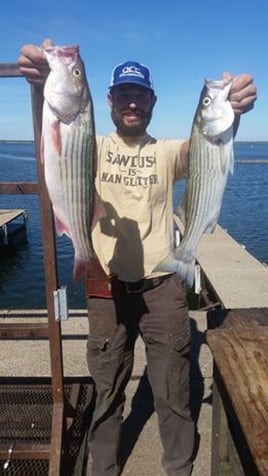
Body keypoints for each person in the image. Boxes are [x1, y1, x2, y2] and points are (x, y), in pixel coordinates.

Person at [18, 39, 257, 476]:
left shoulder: (165, 150)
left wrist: (233, 113)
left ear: (152, 101)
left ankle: (178, 468)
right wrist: (41, 84)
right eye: (124, 94)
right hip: (104, 287)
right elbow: (57, 135)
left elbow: (204, 149)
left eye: (141, 95)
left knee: (174, 393)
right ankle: (104, 469)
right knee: (107, 391)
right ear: (108, 99)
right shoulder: (91, 143)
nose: (133, 102)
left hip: (163, 288)